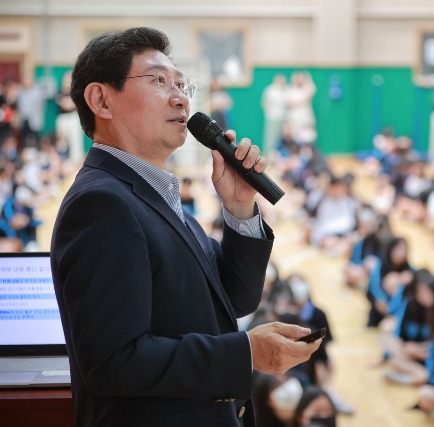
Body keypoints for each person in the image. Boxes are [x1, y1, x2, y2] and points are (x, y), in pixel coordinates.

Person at [50, 27, 321, 427]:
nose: (180, 97)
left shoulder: (154, 194)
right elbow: (113, 362)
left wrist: (240, 207)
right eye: (158, 81)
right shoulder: (101, 204)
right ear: (101, 100)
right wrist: (246, 354)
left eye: (181, 83)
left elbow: (234, 299)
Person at [261, 74, 288, 158]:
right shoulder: (270, 90)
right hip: (272, 117)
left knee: (280, 138)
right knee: (270, 137)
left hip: (282, 118)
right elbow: (264, 103)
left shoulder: (285, 90)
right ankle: (268, 156)